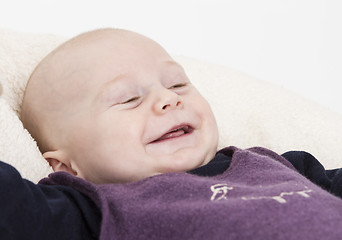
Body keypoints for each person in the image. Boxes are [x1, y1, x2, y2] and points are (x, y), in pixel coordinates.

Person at [1, 28, 342, 239]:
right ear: (68, 169)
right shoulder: (96, 210)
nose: (169, 98)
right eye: (129, 99)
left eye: (177, 83)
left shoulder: (282, 166)